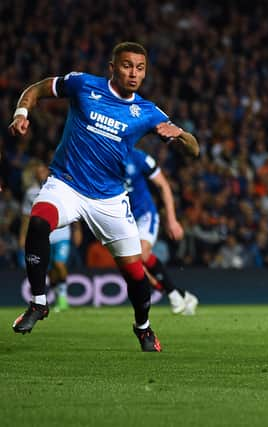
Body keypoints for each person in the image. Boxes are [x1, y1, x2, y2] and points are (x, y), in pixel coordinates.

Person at [8, 41, 199, 352]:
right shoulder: (83, 85)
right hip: (67, 184)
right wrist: (21, 113)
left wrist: (180, 136)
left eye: (140, 68)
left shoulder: (148, 112)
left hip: (109, 200)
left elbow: (195, 150)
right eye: (127, 66)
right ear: (112, 68)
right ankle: (39, 302)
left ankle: (143, 328)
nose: (133, 73)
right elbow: (38, 88)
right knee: (39, 221)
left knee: (135, 274)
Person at [125, 147, 199, 315]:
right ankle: (182, 295)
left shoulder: (138, 157)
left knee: (141, 254)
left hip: (145, 214)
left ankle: (173, 295)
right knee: (131, 263)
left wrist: (172, 220)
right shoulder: (103, 159)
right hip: (123, 218)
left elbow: (163, 185)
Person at [19, 160, 73, 313]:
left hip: (62, 233)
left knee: (59, 264)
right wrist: (23, 236)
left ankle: (63, 297)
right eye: (38, 171)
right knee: (49, 270)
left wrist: (77, 230)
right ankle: (57, 297)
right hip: (44, 236)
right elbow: (25, 216)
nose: (40, 173)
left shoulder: (59, 187)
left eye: (43, 170)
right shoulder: (31, 192)